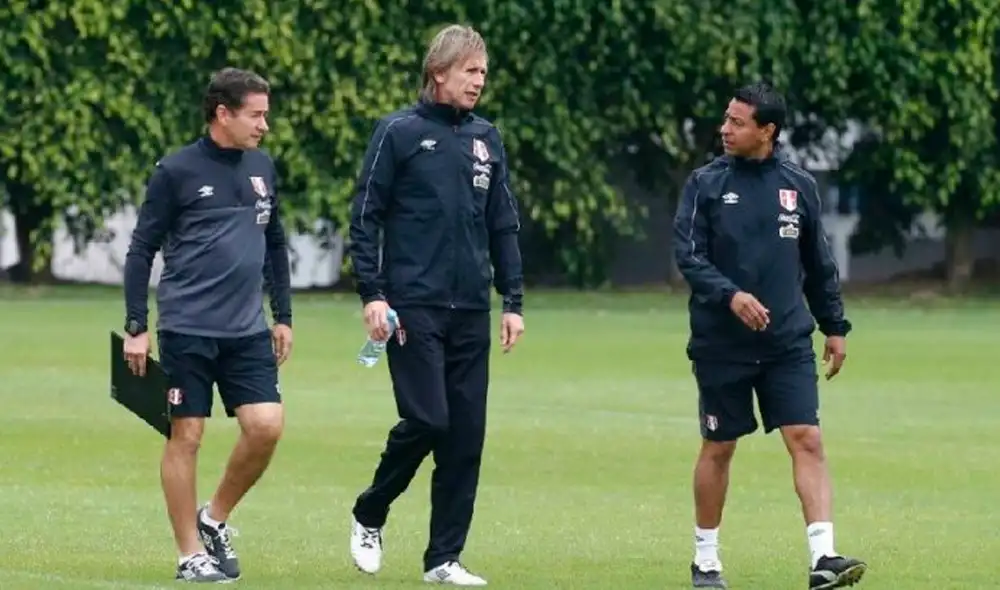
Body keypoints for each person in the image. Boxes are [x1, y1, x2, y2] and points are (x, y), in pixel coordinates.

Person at [346, 23, 525, 587]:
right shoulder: (397, 132)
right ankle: (370, 510)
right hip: (411, 307)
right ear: (439, 71)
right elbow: (365, 217)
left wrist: (512, 301)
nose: (479, 82)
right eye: (471, 71)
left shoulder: (486, 138)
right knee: (427, 419)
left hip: (471, 308)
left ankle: (443, 559)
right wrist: (373, 294)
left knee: (465, 437)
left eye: (483, 73)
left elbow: (503, 223)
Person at [672, 82, 867, 590]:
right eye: (726, 119)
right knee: (719, 445)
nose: (725, 129)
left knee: (808, 438)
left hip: (786, 345)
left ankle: (824, 559)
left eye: (737, 122)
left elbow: (819, 264)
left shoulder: (798, 185)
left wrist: (835, 326)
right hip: (722, 345)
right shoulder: (705, 184)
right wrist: (731, 296)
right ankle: (706, 560)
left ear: (767, 131)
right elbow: (689, 256)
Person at [122, 67, 293, 583]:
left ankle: (213, 518)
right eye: (256, 114)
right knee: (187, 435)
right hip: (187, 328)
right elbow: (140, 248)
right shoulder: (176, 170)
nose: (265, 125)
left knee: (266, 426)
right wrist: (137, 325)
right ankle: (188, 554)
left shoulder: (263, 166)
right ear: (223, 113)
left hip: (246, 330)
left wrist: (282, 315)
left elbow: (276, 243)